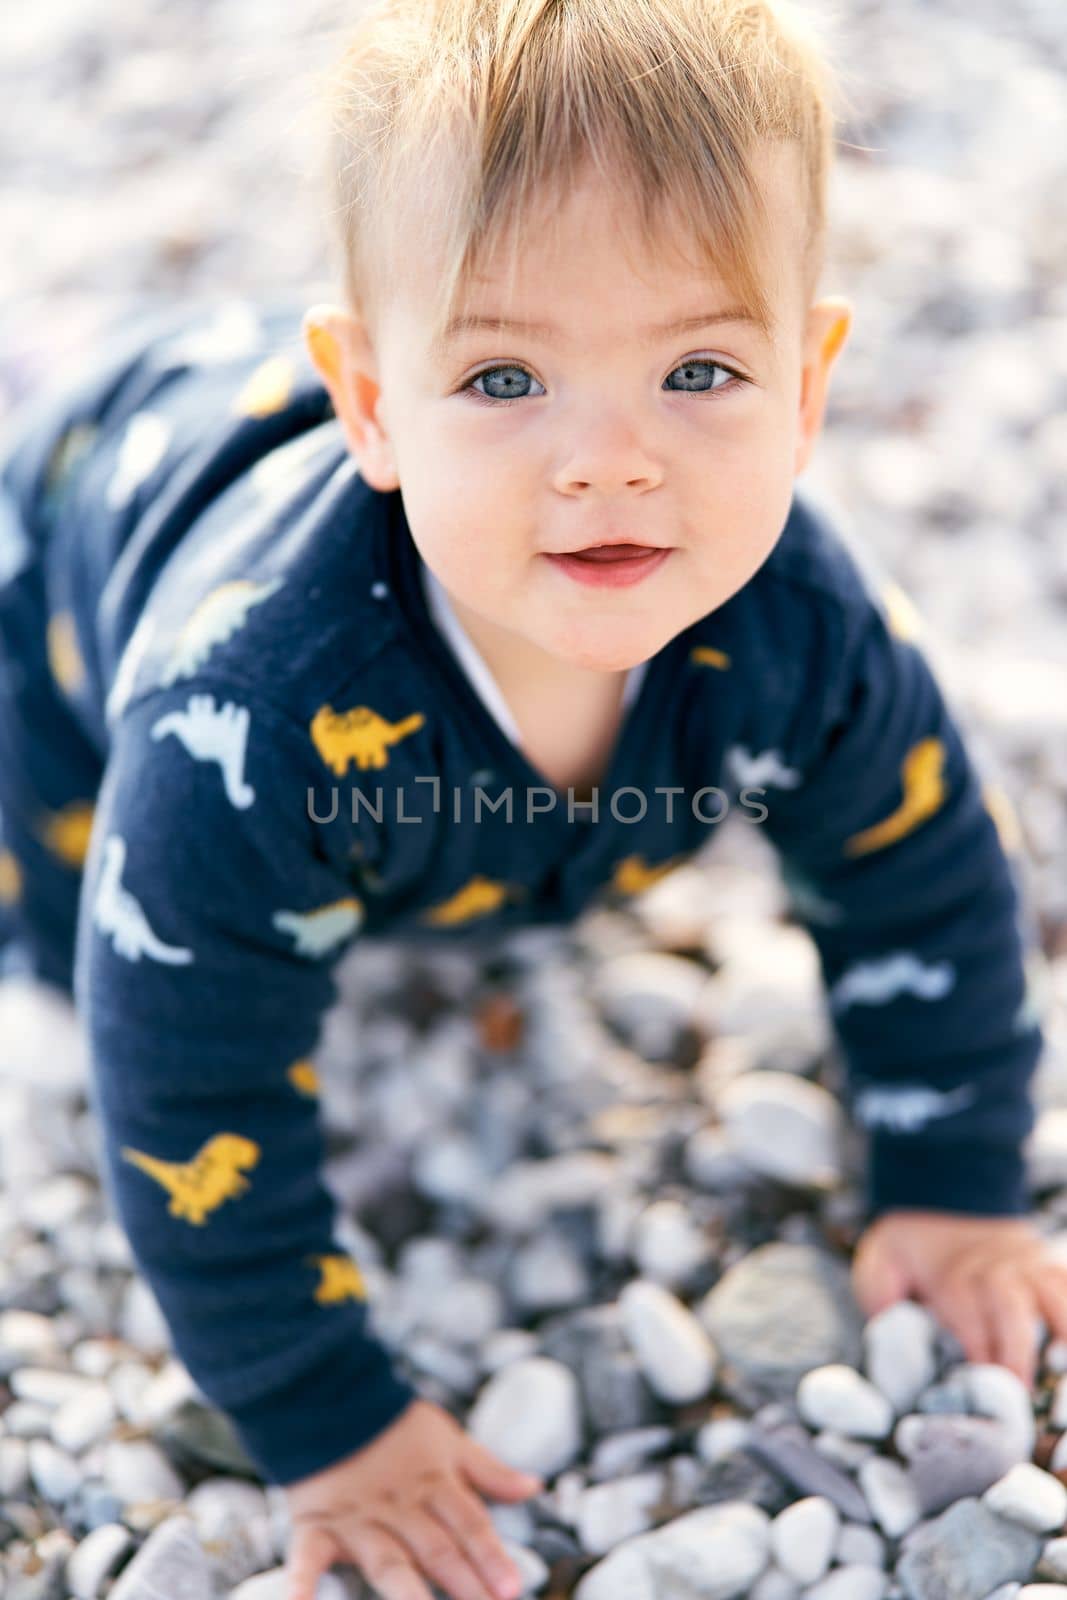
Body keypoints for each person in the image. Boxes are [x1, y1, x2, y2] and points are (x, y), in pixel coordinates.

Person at [0, 1, 1061, 1597]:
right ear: (368, 403)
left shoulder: (810, 631)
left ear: (808, 385)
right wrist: (323, 1418)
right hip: (75, 590)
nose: (611, 461)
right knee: (81, 933)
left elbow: (924, 875)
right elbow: (186, 1076)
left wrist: (954, 1181)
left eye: (698, 367)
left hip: (441, 738)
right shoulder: (242, 711)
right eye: (506, 378)